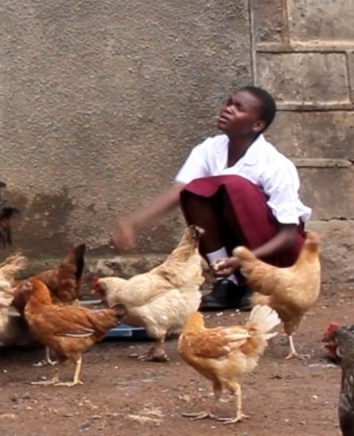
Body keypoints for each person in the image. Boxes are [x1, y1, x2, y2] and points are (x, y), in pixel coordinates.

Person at [112, 86, 311, 311]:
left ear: (257, 125)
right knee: (195, 191)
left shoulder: (275, 165)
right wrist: (133, 223)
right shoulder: (209, 149)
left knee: (234, 185)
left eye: (238, 108)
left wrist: (247, 259)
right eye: (229, 102)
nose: (227, 109)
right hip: (238, 253)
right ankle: (227, 281)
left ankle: (257, 282)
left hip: (278, 258)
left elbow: (288, 237)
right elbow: (181, 190)